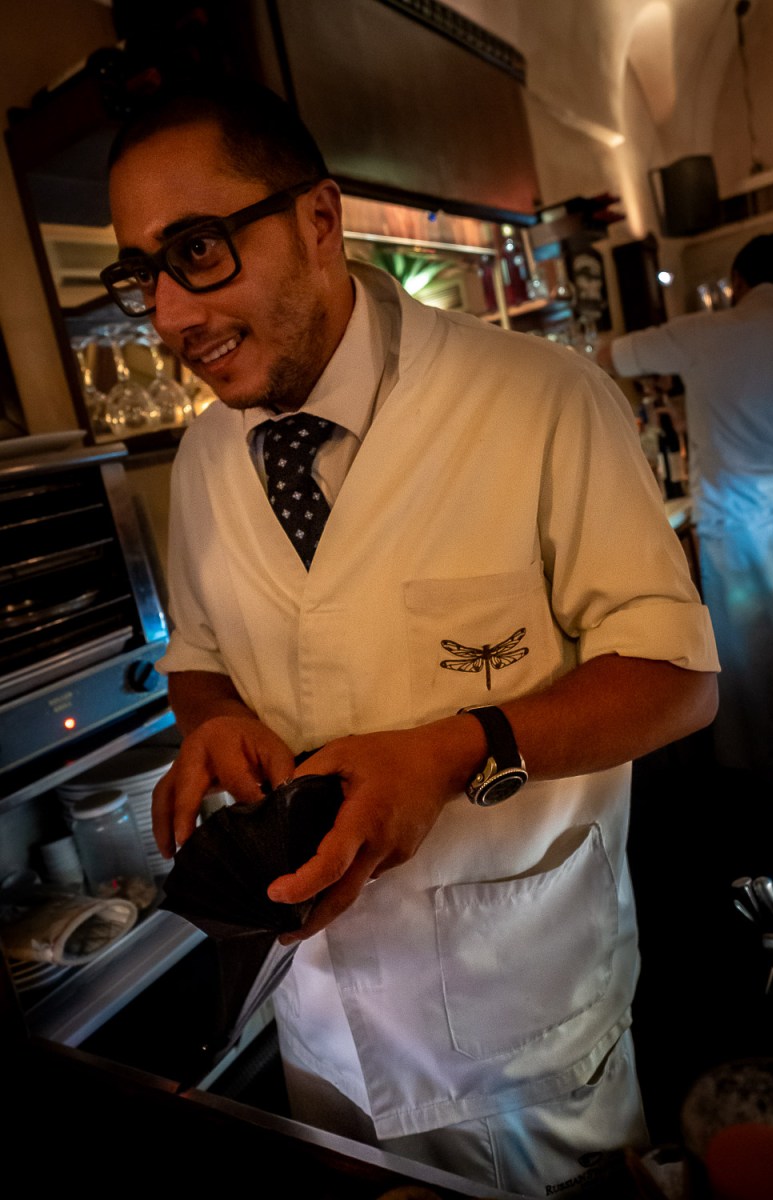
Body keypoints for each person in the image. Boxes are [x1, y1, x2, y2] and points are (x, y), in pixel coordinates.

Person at [102, 80, 718, 1199]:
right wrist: (212, 717)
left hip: (518, 1024)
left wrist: (451, 751)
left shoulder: (539, 398)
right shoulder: (201, 462)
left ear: (319, 221)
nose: (170, 314)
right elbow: (199, 651)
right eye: (141, 273)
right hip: (317, 1025)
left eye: (196, 250)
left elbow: (677, 682)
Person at [600, 233, 773, 774]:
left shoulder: (707, 332)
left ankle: (753, 797)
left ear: (739, 282)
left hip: (738, 528)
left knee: (745, 676)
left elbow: (609, 354)